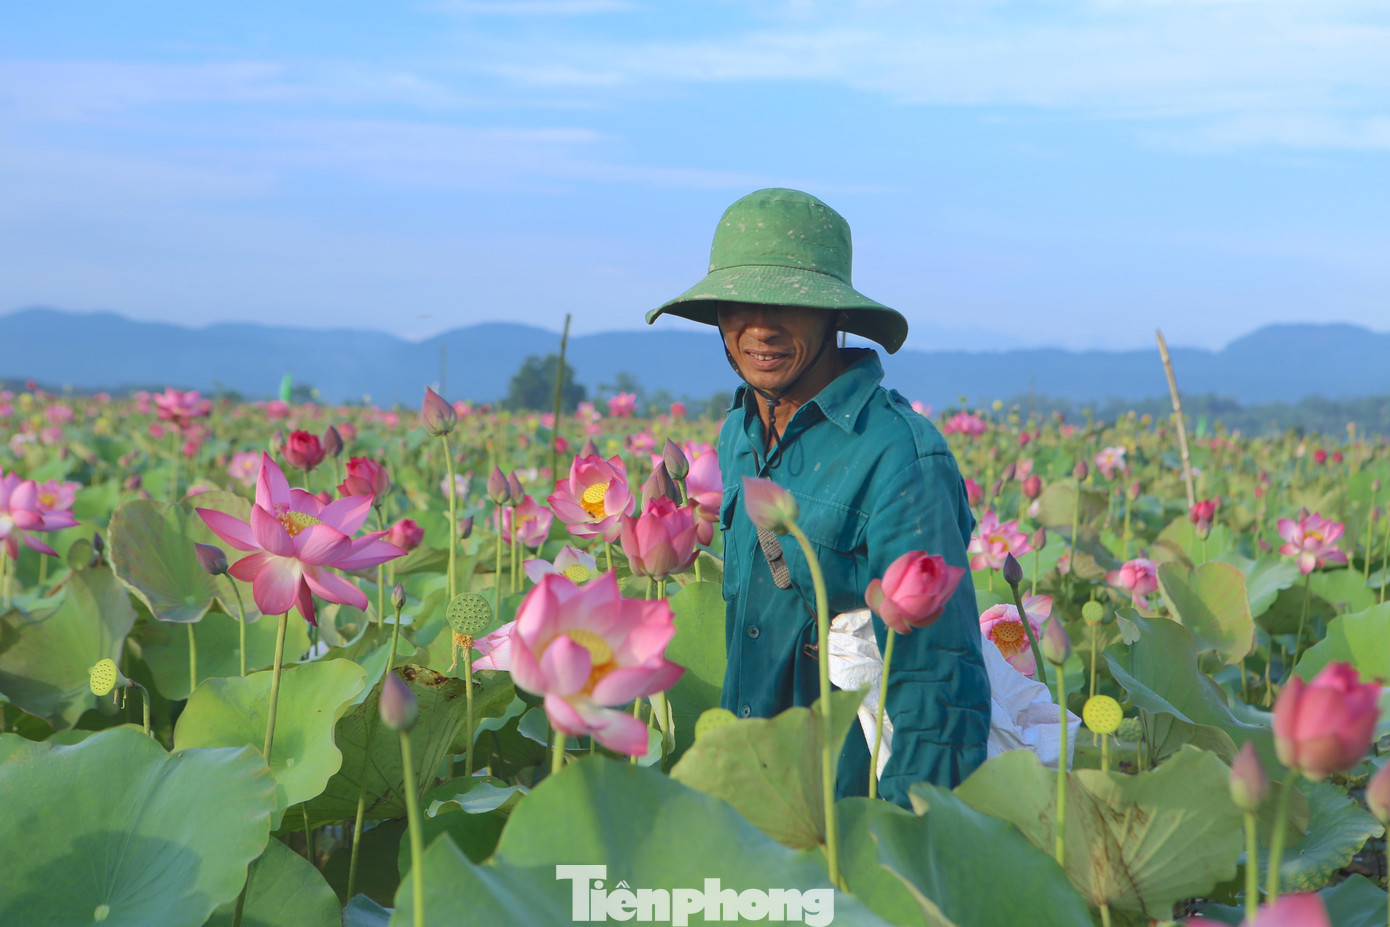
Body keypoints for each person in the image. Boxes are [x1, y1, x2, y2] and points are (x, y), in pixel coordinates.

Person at [645, 187, 990, 808]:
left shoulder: (901, 455)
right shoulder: (738, 434)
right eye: (739, 304)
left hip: (848, 810)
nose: (760, 328)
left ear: (834, 315)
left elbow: (938, 680)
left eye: (788, 304)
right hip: (750, 796)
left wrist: (910, 846)